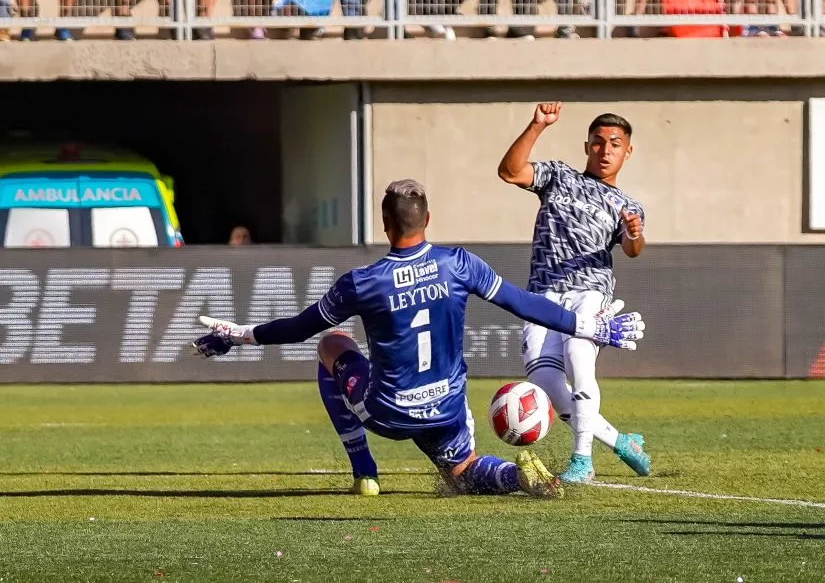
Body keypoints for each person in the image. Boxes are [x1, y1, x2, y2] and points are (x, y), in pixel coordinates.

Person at [193, 179, 645, 498]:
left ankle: (365, 472)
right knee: (463, 473)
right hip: (446, 409)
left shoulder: (363, 282)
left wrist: (237, 335)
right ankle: (513, 477)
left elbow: (297, 328)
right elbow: (523, 303)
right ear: (428, 218)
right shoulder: (459, 264)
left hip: (389, 413)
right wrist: (590, 327)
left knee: (331, 343)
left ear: (385, 225)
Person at [497, 102, 649, 484]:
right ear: (586, 146)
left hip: (589, 292)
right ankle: (620, 441)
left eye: (615, 143)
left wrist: (634, 233)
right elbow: (509, 171)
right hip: (543, 294)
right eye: (598, 142)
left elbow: (633, 249)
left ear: (628, 151)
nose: (605, 150)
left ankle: (582, 460)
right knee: (546, 383)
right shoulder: (559, 176)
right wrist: (537, 126)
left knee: (579, 358)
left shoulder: (628, 206)